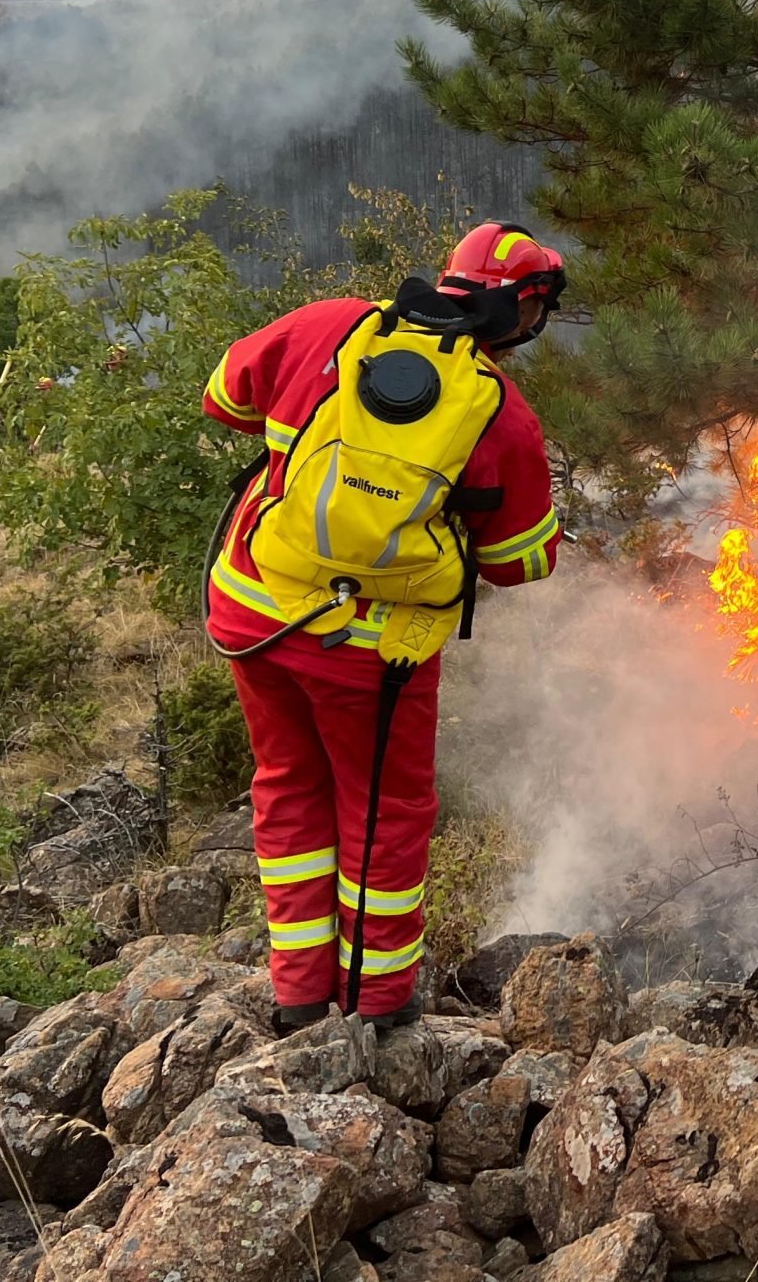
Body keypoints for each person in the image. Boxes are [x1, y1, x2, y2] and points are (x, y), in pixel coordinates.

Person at [202, 221, 566, 1033]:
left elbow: (223, 395)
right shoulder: (496, 410)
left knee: (288, 791)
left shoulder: (332, 323)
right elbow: (520, 563)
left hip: (255, 612)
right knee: (383, 813)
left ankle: (298, 996)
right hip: (372, 655)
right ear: (524, 313)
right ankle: (374, 1005)